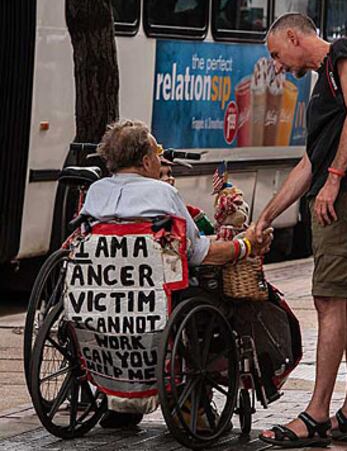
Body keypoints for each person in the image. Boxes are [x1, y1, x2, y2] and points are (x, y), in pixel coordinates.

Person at [79, 119, 272, 429]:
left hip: (99, 300)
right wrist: (245, 245)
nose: (161, 159)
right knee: (214, 304)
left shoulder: (95, 192)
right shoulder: (162, 194)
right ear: (145, 161)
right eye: (157, 153)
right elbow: (199, 252)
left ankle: (121, 404)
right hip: (158, 300)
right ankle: (190, 403)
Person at [254, 13, 347, 447]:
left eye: (276, 53)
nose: (277, 64)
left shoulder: (343, 53)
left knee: (328, 298)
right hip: (344, 191)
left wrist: (333, 178)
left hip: (346, 195)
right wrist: (267, 216)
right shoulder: (322, 78)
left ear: (294, 36)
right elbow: (309, 161)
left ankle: (317, 414)